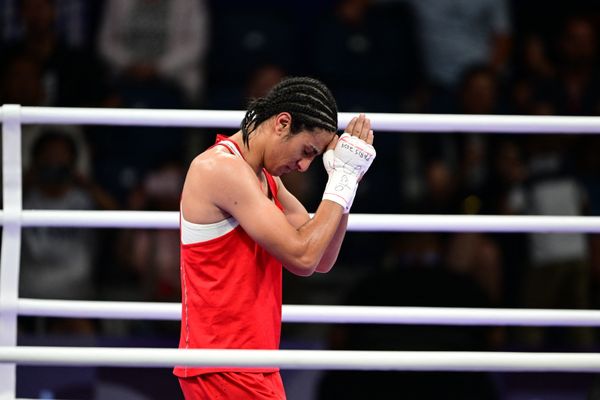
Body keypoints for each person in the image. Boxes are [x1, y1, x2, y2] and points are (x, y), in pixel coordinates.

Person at [173, 77, 376, 399]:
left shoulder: (265, 179)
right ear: (283, 123)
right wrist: (343, 180)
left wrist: (345, 184)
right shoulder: (220, 169)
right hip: (223, 363)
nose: (305, 166)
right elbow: (303, 255)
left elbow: (320, 258)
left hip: (251, 361)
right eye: (307, 151)